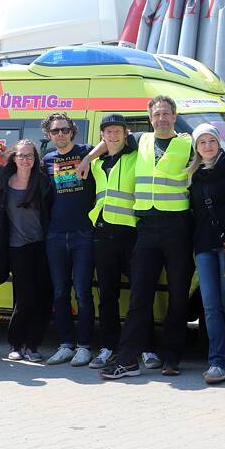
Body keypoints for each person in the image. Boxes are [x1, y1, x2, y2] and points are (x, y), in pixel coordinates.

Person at [101, 96, 195, 379]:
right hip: (146, 229)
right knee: (139, 297)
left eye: (166, 113)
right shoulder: (140, 140)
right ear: (150, 117)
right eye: (157, 114)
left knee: (178, 296)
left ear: (175, 116)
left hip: (177, 228)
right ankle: (128, 360)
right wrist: (88, 159)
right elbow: (109, 142)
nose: (161, 118)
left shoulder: (189, 144)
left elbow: (217, 156)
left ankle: (171, 357)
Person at [187, 123, 225, 384]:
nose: (208, 146)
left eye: (211, 141)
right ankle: (218, 361)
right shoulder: (194, 174)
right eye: (202, 142)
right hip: (203, 246)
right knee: (210, 306)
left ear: (218, 141)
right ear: (196, 147)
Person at [41, 112, 98, 367]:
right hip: (55, 234)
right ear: (49, 134)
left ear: (72, 131)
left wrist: (87, 158)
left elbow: (111, 141)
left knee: (83, 292)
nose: (61, 134)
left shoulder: (86, 150)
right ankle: (66, 345)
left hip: (83, 234)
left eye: (65, 129)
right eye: (55, 131)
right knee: (60, 292)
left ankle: (84, 347)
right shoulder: (47, 159)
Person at [0, 140, 54, 363]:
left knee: (43, 298)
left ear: (35, 159)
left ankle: (32, 345)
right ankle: (16, 344)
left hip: (42, 246)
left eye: (29, 156)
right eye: (21, 155)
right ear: (14, 158)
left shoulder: (43, 182)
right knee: (25, 298)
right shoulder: (4, 181)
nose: (25, 159)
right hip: (17, 248)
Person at [88, 114, 140, 370]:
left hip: (130, 234)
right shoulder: (96, 164)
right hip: (102, 234)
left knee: (140, 294)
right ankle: (108, 346)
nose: (113, 135)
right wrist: (88, 158)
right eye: (108, 131)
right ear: (102, 135)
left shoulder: (137, 156)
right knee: (107, 295)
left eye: (118, 131)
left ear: (125, 133)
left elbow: (144, 138)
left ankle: (143, 346)